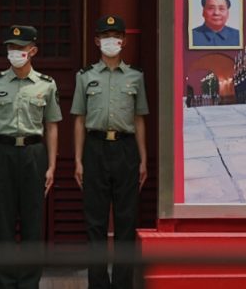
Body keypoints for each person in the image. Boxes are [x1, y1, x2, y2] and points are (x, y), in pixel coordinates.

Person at [0, 25, 62, 288]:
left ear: (32, 50)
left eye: (20, 47)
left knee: (32, 224)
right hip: (2, 154)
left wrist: (51, 166)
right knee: (3, 223)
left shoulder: (46, 84)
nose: (14, 52)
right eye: (11, 47)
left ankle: (28, 283)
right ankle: (4, 283)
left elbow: (52, 127)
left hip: (34, 154)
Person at [72, 15, 149, 289]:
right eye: (105, 36)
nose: (111, 41)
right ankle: (98, 284)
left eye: (115, 36)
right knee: (95, 222)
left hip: (126, 149)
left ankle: (122, 284)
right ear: (97, 41)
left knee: (126, 221)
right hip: (95, 148)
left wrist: (143, 158)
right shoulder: (85, 76)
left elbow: (139, 119)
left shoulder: (135, 76)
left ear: (123, 41)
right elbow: (79, 120)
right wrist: (78, 160)